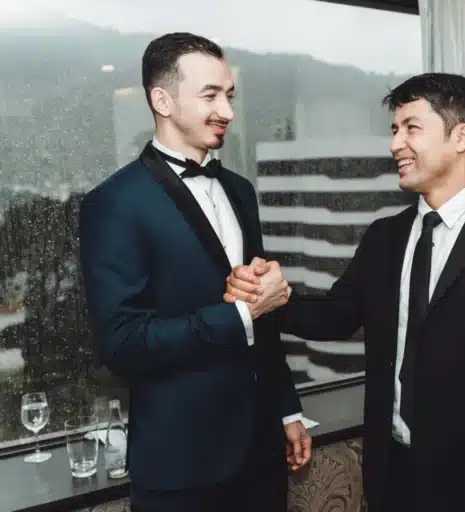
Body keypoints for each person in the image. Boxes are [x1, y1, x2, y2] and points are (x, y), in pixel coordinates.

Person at [225, 72, 465, 512]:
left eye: (411, 128)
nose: (395, 145)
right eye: (394, 130)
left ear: (461, 136)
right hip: (391, 474)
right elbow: (336, 315)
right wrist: (273, 297)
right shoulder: (385, 236)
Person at [79, 32, 310, 512]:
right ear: (161, 100)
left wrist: (287, 408)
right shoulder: (114, 203)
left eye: (229, 96)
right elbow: (122, 344)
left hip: (263, 453)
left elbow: (262, 323)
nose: (227, 111)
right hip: (181, 470)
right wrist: (240, 314)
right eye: (211, 95)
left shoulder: (241, 191)